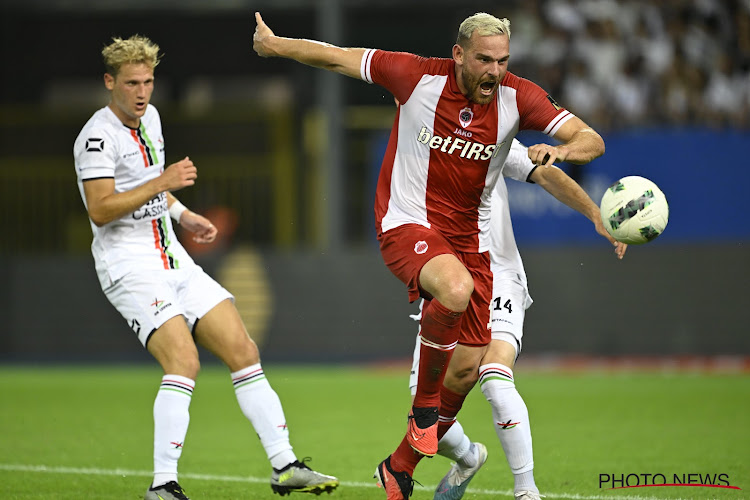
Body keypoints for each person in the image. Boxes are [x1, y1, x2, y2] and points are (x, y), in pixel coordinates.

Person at [253, 11, 607, 499]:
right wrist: (275, 45)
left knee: (465, 369)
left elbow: (591, 139)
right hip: (407, 224)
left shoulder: (516, 99)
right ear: (458, 54)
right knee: (456, 293)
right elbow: (336, 58)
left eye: (502, 61)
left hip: (472, 249)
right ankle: (431, 421)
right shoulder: (415, 75)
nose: (494, 71)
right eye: (484, 59)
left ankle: (399, 466)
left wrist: (564, 154)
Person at [73, 34, 339, 500]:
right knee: (184, 361)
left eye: (149, 81)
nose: (142, 92)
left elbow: (152, 187)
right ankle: (162, 485)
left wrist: (183, 213)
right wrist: (164, 180)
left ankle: (286, 465)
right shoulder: (96, 137)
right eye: (131, 82)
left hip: (172, 256)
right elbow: (100, 208)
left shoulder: (150, 118)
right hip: (129, 266)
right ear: (109, 82)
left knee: (243, 349)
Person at [407, 139, 627, 500]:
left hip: (497, 274)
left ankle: (526, 491)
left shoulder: (482, 135)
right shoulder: (410, 153)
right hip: (447, 282)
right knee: (424, 410)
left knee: (494, 377)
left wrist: (593, 213)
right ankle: (467, 458)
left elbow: (545, 174)